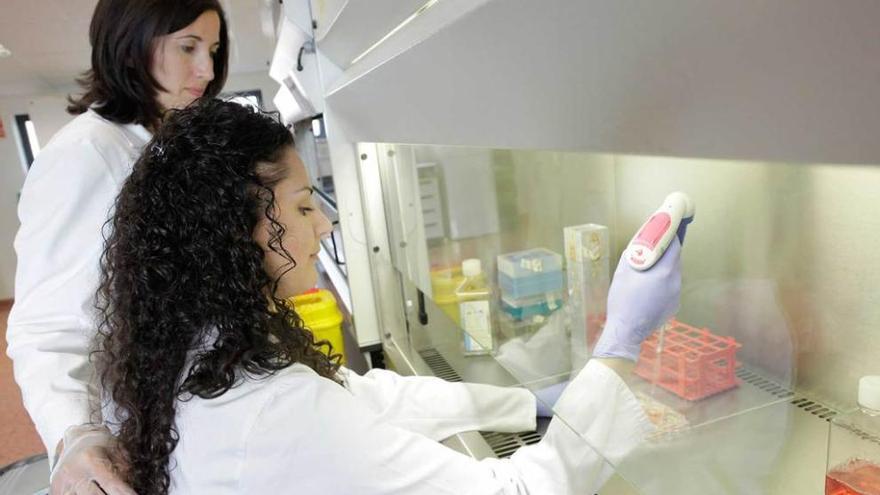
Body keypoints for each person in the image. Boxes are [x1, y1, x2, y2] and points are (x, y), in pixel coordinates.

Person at [94, 99, 688, 494]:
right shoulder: (274, 412)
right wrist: (621, 342)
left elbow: (368, 396)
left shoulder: (202, 353)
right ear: (234, 229)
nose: (323, 227)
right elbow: (520, 491)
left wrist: (529, 404)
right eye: (302, 207)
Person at [6, 1, 230, 493]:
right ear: (131, 47)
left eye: (213, 50)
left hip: (196, 403)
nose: (208, 70)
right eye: (188, 47)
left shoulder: (158, 142)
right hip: (141, 429)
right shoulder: (85, 153)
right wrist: (77, 434)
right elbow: (47, 327)